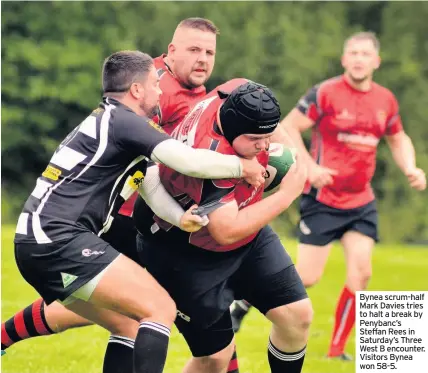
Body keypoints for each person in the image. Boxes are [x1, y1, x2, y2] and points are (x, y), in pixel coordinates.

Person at [2, 18, 242, 373]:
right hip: (59, 239)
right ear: (136, 90)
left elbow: (150, 184)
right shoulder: (126, 122)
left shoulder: (113, 121)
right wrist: (242, 167)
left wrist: (179, 218)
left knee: (128, 324)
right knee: (159, 308)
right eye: (154, 85)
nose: (160, 91)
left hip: (37, 241)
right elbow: (186, 160)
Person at [230, 31, 427, 360]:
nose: (359, 59)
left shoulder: (385, 100)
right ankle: (245, 298)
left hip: (361, 202)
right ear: (344, 59)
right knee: (307, 277)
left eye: (365, 54)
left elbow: (398, 137)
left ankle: (336, 350)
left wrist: (411, 166)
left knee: (361, 273)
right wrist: (308, 167)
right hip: (323, 201)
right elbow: (289, 126)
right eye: (353, 53)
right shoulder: (326, 92)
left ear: (376, 61)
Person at [133, 79, 313, 373]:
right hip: (184, 253)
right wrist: (287, 194)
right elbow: (225, 230)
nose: (265, 145)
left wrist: (293, 157)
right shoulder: (214, 161)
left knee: (297, 315)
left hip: (246, 235)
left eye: (266, 135)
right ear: (232, 131)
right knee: (215, 358)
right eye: (255, 138)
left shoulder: (239, 94)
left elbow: (266, 121)